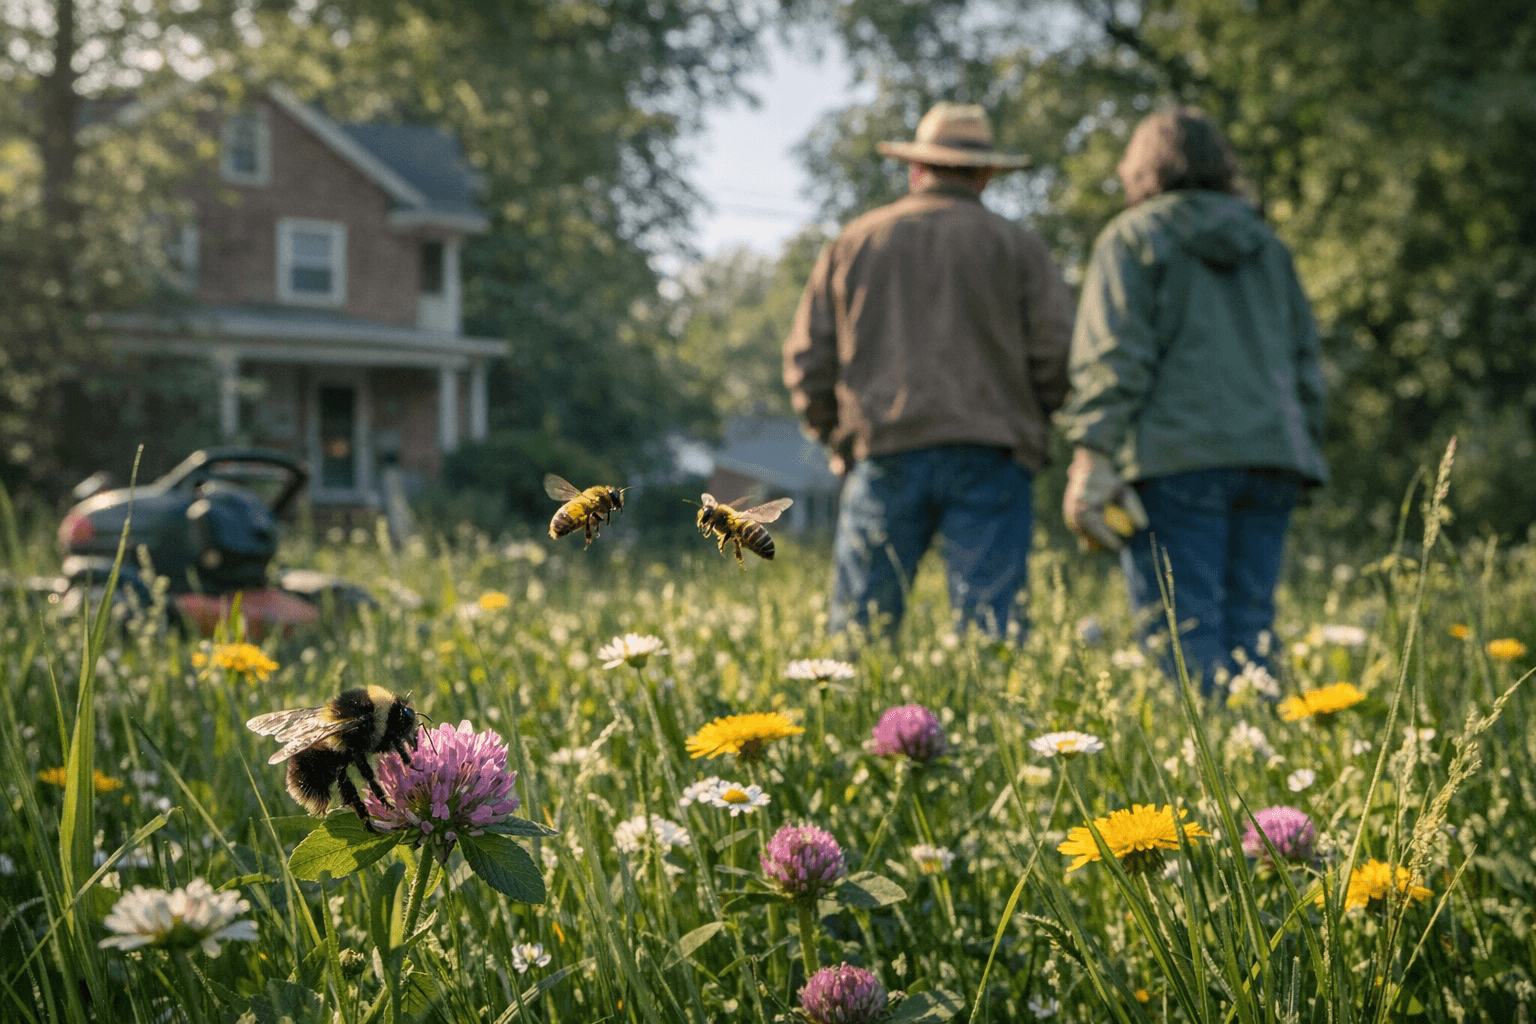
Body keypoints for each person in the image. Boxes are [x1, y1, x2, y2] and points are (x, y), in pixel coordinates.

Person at [1059, 106, 1328, 693]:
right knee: (1253, 631)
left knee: (1182, 636)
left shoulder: (1132, 237)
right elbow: (1307, 362)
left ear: (1141, 169)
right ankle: (1265, 764)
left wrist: (1091, 457)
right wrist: (1302, 442)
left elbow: (1114, 358)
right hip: (1273, 457)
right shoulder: (1267, 245)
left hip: (1175, 460)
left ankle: (1209, 778)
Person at [784, 102, 1074, 640]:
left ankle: (855, 723)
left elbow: (808, 359)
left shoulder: (856, 241)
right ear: (985, 175)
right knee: (992, 633)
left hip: (885, 449)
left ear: (917, 169)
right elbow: (1057, 356)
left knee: (860, 636)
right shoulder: (1020, 247)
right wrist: (1032, 425)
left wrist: (835, 435)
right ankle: (994, 724)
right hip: (993, 453)